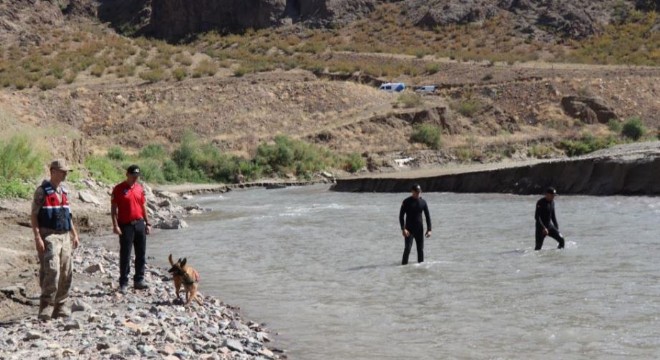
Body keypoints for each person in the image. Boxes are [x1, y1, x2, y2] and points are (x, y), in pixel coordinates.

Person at [31, 159, 80, 321]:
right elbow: (34, 216)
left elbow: (68, 215)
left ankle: (61, 306)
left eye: (66, 171)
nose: (65, 174)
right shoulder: (42, 191)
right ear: (53, 171)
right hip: (49, 235)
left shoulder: (64, 191)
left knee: (66, 271)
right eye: (62, 171)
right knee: (52, 270)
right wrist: (38, 237)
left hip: (65, 235)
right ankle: (46, 306)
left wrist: (74, 234)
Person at [111, 165, 152, 294]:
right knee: (125, 255)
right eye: (133, 176)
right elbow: (113, 209)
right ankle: (123, 283)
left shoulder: (140, 188)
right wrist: (115, 225)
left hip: (139, 223)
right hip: (125, 225)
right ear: (127, 174)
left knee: (141, 254)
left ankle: (139, 280)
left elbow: (143, 206)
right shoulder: (118, 189)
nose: (135, 178)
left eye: (137, 176)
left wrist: (148, 223)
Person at [399, 184, 432, 265]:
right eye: (416, 192)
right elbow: (401, 216)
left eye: (419, 192)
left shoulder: (423, 202)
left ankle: (420, 268)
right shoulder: (406, 202)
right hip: (408, 230)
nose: (418, 194)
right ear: (412, 192)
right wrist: (403, 229)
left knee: (420, 250)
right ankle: (403, 267)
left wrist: (429, 229)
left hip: (419, 230)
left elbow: (427, 216)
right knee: (407, 249)